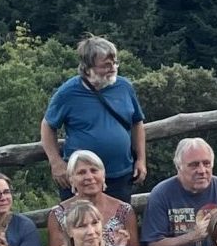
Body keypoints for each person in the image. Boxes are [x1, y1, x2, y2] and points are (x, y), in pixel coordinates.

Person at [40, 35, 146, 192]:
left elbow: (137, 122)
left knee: (119, 209)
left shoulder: (124, 87)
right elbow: (47, 126)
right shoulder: (68, 92)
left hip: (120, 174)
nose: (113, 68)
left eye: (115, 63)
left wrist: (141, 160)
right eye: (106, 65)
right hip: (82, 178)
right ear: (87, 67)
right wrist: (56, 162)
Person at [61, 150, 138, 246]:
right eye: (81, 172)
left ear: (103, 175)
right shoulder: (59, 214)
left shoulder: (124, 211)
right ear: (71, 179)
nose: (89, 177)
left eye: (94, 170)